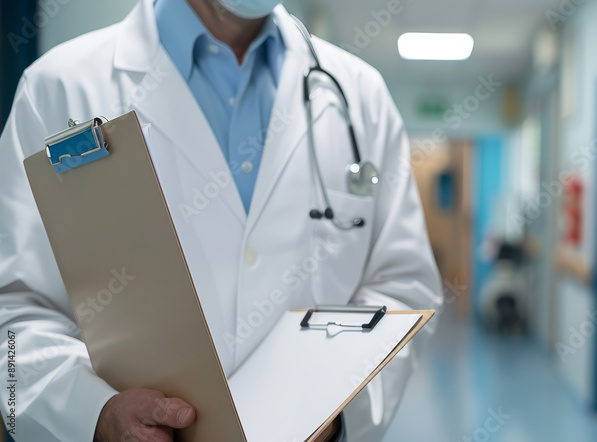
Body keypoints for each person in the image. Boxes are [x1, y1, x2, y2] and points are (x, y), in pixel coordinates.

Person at [0, 0, 442, 440]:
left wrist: (339, 411)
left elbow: (403, 286)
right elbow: (13, 313)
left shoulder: (361, 95)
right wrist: (92, 415)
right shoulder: (57, 87)